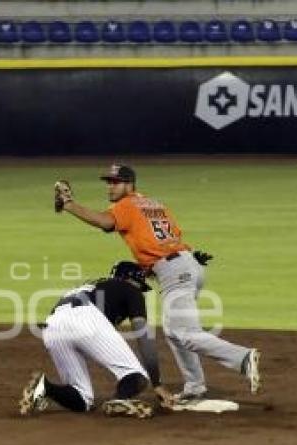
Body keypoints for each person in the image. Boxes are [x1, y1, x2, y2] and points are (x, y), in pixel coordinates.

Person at [53, 163, 261, 402]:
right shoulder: (155, 205)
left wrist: (68, 205)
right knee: (175, 331)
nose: (110, 187)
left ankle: (243, 358)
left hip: (175, 271)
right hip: (186, 264)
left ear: (129, 184)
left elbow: (105, 222)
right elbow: (169, 238)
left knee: (184, 332)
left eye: (115, 182)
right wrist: (186, 261)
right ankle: (195, 387)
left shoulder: (126, 205)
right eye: (108, 182)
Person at [19, 261, 173, 419]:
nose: (141, 290)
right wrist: (157, 383)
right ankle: (120, 400)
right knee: (136, 375)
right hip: (86, 318)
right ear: (132, 280)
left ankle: (44, 387)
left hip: (52, 327)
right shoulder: (130, 289)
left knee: (82, 399)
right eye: (140, 285)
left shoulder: (89, 288)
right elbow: (143, 335)